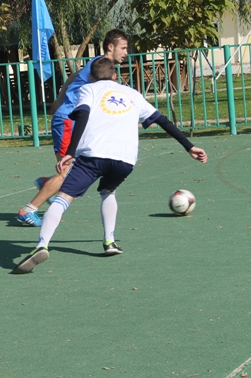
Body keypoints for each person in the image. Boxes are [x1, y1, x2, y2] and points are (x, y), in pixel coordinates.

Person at [12, 57, 208, 274]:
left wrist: (70, 153)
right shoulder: (133, 94)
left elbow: (82, 115)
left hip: (93, 156)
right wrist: (189, 147)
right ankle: (109, 241)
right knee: (108, 191)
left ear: (91, 76)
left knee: (62, 198)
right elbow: (163, 120)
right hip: (125, 160)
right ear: (115, 76)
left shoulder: (88, 89)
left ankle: (42, 245)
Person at [17, 29, 130, 227]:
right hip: (68, 122)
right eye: (123, 48)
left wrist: (59, 100)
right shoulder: (99, 68)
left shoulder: (97, 63)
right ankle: (28, 210)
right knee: (67, 173)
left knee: (71, 170)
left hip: (71, 121)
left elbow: (72, 78)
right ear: (111, 47)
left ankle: (48, 184)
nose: (126, 52)